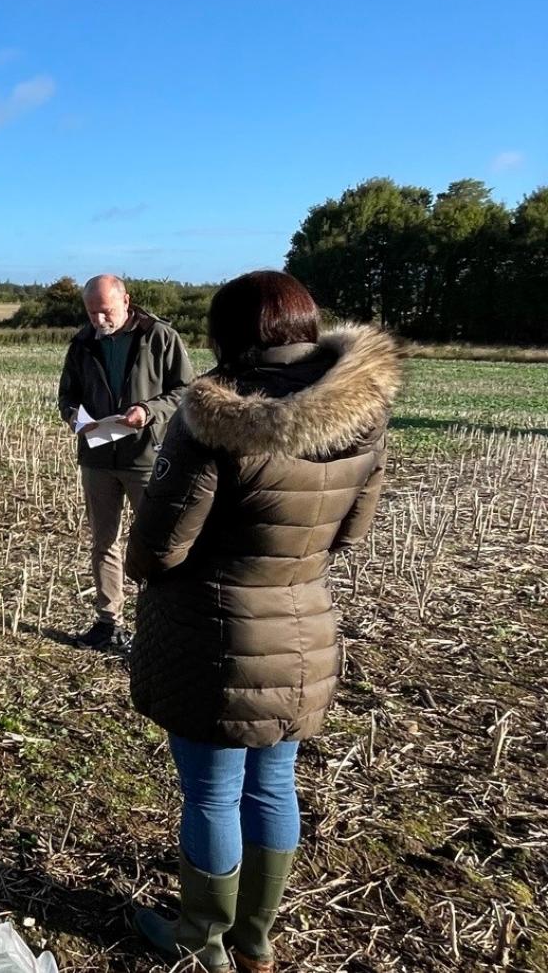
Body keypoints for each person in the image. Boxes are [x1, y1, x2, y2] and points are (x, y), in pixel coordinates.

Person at [126, 271, 401, 972]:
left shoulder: (213, 418)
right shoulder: (364, 412)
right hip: (304, 625)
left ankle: (202, 939)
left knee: (214, 795)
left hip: (215, 636)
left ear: (225, 338)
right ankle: (255, 942)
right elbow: (350, 532)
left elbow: (159, 548)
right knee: (274, 785)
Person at [57, 274, 194, 652]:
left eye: (105, 312)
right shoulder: (82, 342)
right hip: (98, 458)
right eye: (91, 313)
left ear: (126, 301)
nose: (99, 320)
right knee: (104, 542)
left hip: (147, 458)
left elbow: (185, 391)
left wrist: (147, 412)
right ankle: (108, 622)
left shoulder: (160, 336)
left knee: (157, 545)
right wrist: (75, 418)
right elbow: (67, 394)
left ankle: (164, 624)